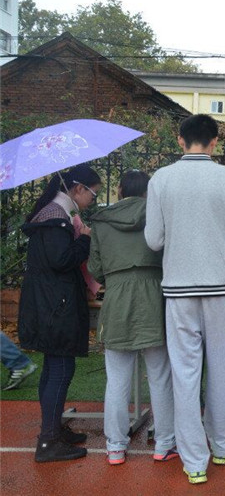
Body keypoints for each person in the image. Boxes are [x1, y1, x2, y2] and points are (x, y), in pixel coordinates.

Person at [145, 114, 225, 485]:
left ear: (180, 140)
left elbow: (154, 240)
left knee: (184, 372)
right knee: (221, 366)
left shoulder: (161, 179)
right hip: (222, 285)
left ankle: (194, 461)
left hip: (179, 286)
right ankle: (221, 446)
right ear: (215, 142)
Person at [88, 170, 176, 466]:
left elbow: (96, 269)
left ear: (120, 189)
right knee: (160, 374)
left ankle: (115, 446)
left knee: (117, 377)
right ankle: (164, 443)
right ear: (148, 191)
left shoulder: (101, 221)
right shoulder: (159, 214)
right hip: (154, 294)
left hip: (117, 296)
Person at [18, 164, 101, 462]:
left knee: (54, 368)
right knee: (60, 369)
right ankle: (49, 440)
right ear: (78, 189)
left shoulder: (54, 215)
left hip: (50, 303)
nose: (93, 199)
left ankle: (52, 431)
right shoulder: (55, 218)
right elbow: (62, 260)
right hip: (56, 306)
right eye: (93, 193)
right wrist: (85, 238)